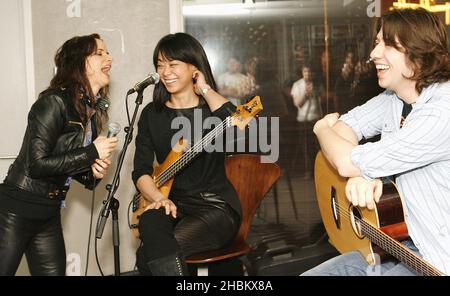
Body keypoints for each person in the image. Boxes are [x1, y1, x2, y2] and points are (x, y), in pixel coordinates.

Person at [305, 8, 450, 276]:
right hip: (398, 243)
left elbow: (344, 157)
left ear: (419, 55)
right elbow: (344, 128)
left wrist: (320, 128)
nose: (373, 54)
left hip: (436, 261)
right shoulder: (394, 99)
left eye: (388, 45)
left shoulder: (442, 113)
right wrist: (362, 171)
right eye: (376, 43)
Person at [0, 34, 118, 275]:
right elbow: (37, 164)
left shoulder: (89, 111)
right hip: (15, 211)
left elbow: (72, 167)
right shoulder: (53, 102)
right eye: (100, 53)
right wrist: (90, 152)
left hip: (48, 213)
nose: (109, 58)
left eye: (108, 52)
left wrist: (93, 173)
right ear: (80, 62)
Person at [132, 33, 242, 276]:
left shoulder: (212, 111)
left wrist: (204, 88)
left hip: (215, 207)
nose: (165, 72)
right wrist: (157, 198)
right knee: (149, 221)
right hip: (173, 205)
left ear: (194, 67)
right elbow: (140, 170)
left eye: (173, 64)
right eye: (160, 65)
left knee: (150, 256)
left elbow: (241, 128)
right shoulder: (152, 114)